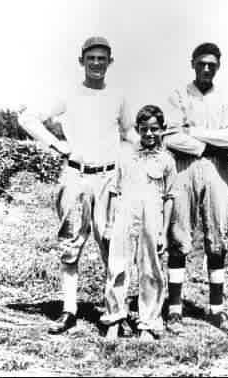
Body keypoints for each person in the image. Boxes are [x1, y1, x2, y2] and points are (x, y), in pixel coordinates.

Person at [19, 36, 137, 334]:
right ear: (81, 61)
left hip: (108, 179)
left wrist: (152, 149)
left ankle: (115, 312)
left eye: (102, 58)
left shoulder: (119, 97)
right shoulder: (68, 94)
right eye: (91, 58)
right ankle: (69, 310)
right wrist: (57, 144)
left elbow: (129, 132)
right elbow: (28, 119)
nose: (96, 63)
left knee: (111, 245)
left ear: (110, 62)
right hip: (75, 177)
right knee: (71, 247)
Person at [163, 42, 228, 333]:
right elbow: (169, 136)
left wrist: (195, 132)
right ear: (193, 63)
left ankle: (217, 308)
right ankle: (174, 308)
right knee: (179, 233)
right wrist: (207, 142)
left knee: (217, 235)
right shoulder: (178, 95)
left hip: (217, 168)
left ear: (218, 66)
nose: (206, 68)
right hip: (184, 167)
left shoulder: (225, 98)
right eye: (201, 63)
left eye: (212, 64)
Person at [100, 105, 177, 341]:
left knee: (150, 271)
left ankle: (148, 323)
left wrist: (164, 233)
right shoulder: (125, 157)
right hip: (125, 215)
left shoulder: (167, 161)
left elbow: (169, 199)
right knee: (118, 266)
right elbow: (114, 192)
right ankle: (115, 319)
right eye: (144, 129)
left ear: (162, 130)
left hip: (152, 219)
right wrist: (111, 224)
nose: (149, 134)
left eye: (154, 129)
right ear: (137, 130)